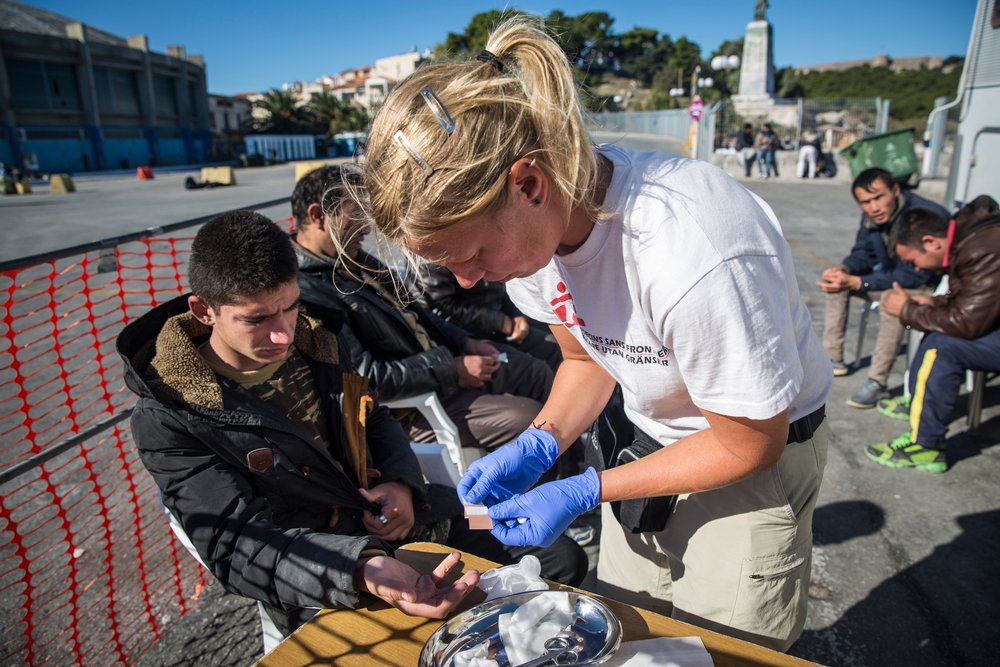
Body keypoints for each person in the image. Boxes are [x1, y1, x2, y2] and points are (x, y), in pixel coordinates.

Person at [357, 17, 831, 652]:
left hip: (745, 462)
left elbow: (749, 443)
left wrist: (584, 488)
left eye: (468, 253)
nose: (468, 282)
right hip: (649, 446)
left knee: (721, 650)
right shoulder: (537, 240)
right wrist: (540, 442)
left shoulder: (693, 248)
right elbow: (588, 358)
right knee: (631, 638)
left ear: (528, 184)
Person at [116, 210, 584, 640]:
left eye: (290, 306)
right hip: (320, 574)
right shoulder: (171, 415)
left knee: (559, 557)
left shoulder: (316, 342)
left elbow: (372, 414)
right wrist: (361, 568)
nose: (282, 333)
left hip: (407, 522)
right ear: (204, 311)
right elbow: (234, 544)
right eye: (256, 320)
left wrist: (401, 483)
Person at [290, 165, 556, 453]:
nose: (367, 228)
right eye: (355, 213)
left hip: (440, 370)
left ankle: (571, 480)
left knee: (536, 373)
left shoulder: (356, 262)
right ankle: (552, 490)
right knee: (528, 420)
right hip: (412, 408)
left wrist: (464, 341)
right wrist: (450, 370)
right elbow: (365, 378)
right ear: (318, 216)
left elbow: (418, 314)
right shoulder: (309, 294)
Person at [867, 197, 1000, 472]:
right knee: (937, 332)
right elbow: (975, 300)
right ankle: (919, 402)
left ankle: (926, 445)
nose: (916, 269)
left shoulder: (981, 248)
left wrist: (907, 311)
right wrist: (932, 305)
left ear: (930, 242)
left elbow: (968, 322)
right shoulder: (973, 239)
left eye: (913, 261)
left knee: (942, 346)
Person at [818, 167, 948, 409]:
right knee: (836, 285)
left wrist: (861, 282)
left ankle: (877, 382)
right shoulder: (871, 219)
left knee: (892, 301)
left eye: (879, 197)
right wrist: (844, 270)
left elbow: (913, 273)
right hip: (891, 277)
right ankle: (833, 359)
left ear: (896, 190)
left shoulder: (922, 215)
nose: (873, 207)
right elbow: (863, 254)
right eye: (865, 202)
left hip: (926, 286)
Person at [418, 263, 562, 370]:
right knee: (536, 368)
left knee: (556, 343)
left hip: (506, 322)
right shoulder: (430, 261)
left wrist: (516, 315)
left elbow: (502, 286)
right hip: (475, 335)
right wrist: (501, 323)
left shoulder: (479, 244)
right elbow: (442, 309)